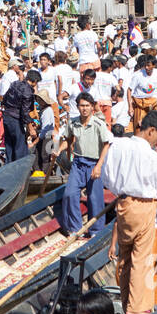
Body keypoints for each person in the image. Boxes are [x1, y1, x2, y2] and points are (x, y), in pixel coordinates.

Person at [102, 111, 157, 314]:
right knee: (142, 259)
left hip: (123, 205)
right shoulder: (152, 156)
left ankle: (126, 303)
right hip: (144, 206)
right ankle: (136, 309)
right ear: (151, 131)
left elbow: (107, 177)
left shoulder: (117, 146)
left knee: (125, 257)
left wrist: (123, 191)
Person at [54, 92, 112, 236]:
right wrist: (58, 150)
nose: (84, 109)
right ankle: (75, 228)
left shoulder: (98, 124)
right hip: (78, 163)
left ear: (92, 107)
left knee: (94, 198)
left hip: (94, 163)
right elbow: (68, 141)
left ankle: (95, 229)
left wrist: (99, 166)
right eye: (81, 106)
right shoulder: (73, 122)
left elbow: (106, 145)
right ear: (77, 107)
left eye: (87, 106)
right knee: (69, 194)